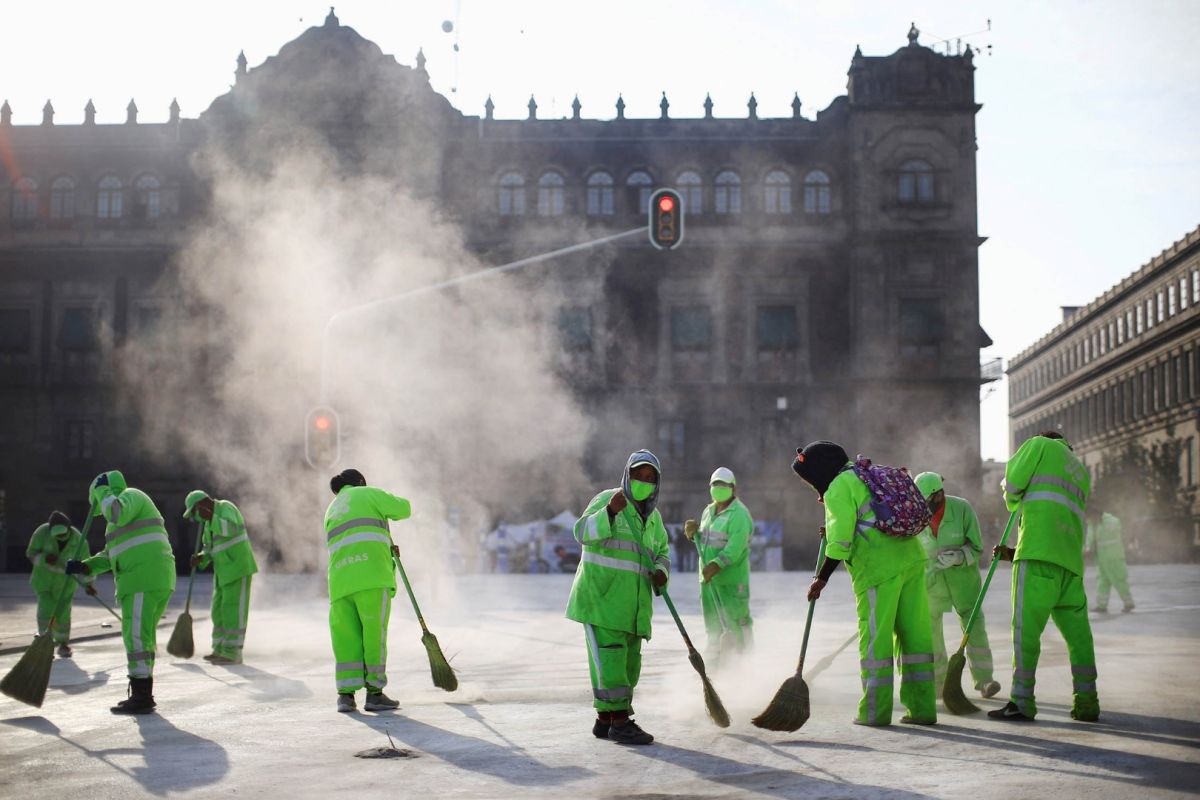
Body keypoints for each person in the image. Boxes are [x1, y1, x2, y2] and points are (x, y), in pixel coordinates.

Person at [793, 441, 937, 727]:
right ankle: (922, 709)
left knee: (876, 641)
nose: (811, 486)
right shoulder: (865, 473)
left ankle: (874, 712)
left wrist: (821, 578)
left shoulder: (838, 487)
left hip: (878, 570)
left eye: (809, 479)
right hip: (911, 559)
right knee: (916, 637)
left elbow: (840, 543)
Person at [990, 431, 1098, 722]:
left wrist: (1013, 499)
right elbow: (1054, 516)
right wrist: (1013, 551)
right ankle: (1087, 702)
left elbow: (1012, 484)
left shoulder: (1039, 445)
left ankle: (1022, 702)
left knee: (1025, 634)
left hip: (1037, 559)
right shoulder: (1080, 470)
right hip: (1070, 565)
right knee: (1080, 638)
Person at [566, 449, 671, 745]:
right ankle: (621, 721)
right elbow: (582, 532)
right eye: (638, 475)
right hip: (602, 601)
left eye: (650, 478)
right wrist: (610, 512)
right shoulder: (607, 500)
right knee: (611, 663)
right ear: (627, 475)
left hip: (634, 607)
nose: (643, 482)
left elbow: (662, 550)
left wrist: (662, 571)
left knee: (628, 664)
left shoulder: (653, 518)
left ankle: (606, 718)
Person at [66, 470, 176, 714]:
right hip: (151, 578)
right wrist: (85, 566)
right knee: (143, 637)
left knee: (135, 638)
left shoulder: (131, 497)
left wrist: (101, 490)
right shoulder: (122, 517)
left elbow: (115, 510)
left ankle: (141, 696)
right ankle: (143, 691)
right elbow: (110, 555)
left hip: (141, 579)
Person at [324, 468, 410, 714]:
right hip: (371, 578)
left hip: (340, 583)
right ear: (360, 482)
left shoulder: (331, 509)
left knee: (346, 639)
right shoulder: (368, 493)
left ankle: (345, 696)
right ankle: (375, 694)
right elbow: (404, 508)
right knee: (374, 636)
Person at [913, 472, 1000, 699]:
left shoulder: (962, 509)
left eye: (927, 501)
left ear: (939, 494)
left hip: (963, 582)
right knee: (931, 635)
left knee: (974, 629)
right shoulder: (916, 515)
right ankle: (939, 684)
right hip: (932, 584)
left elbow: (977, 547)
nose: (924, 506)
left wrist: (959, 557)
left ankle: (984, 681)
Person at [683, 466, 753, 663]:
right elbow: (706, 541)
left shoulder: (739, 514)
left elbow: (735, 547)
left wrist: (716, 564)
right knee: (713, 627)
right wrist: (694, 533)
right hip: (708, 580)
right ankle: (714, 667)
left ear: (733, 488)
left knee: (736, 625)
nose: (718, 488)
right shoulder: (709, 511)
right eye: (715, 485)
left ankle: (743, 666)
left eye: (723, 485)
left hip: (731, 582)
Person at [184, 490, 259, 664]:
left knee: (233, 611)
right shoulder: (208, 524)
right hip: (222, 573)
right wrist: (201, 557)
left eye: (194, 513)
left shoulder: (226, 507)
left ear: (201, 505)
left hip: (238, 569)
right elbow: (209, 549)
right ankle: (219, 649)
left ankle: (233, 652)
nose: (195, 518)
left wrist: (212, 517)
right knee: (218, 611)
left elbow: (231, 528)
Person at [27, 510, 96, 658]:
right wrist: (45, 558)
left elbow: (85, 564)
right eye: (57, 535)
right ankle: (45, 643)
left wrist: (88, 584)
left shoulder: (79, 540)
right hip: (44, 581)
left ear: (69, 529)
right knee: (45, 611)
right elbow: (31, 553)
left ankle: (63, 643)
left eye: (63, 534)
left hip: (65, 584)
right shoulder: (41, 533)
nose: (60, 537)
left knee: (63, 615)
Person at [1085, 507, 1134, 613]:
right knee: (1102, 582)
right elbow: (1090, 538)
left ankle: (1128, 603)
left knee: (1119, 580)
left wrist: (1099, 525)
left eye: (1090, 516)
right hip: (1101, 559)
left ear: (1096, 514)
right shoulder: (1092, 524)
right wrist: (1088, 548)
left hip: (1113, 558)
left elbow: (1109, 533)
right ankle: (1102, 605)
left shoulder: (1111, 521)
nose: (1089, 519)